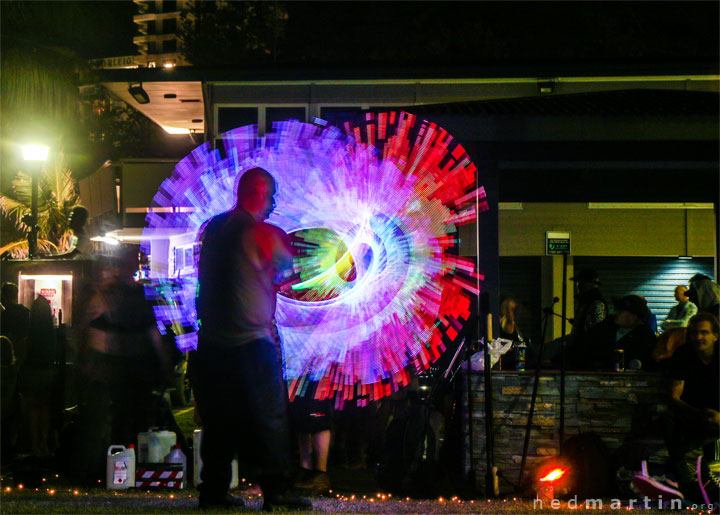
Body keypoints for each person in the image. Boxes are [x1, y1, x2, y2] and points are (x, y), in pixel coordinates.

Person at [191, 167, 310, 510]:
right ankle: (276, 492)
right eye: (271, 195)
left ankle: (212, 492)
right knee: (270, 417)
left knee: (219, 420)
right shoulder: (266, 232)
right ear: (259, 192)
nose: (273, 203)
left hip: (212, 342)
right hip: (253, 341)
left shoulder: (211, 228)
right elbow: (286, 278)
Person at [661, 313, 719, 502]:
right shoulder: (684, 354)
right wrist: (698, 413)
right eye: (694, 333)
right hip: (692, 412)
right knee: (668, 420)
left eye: (704, 332)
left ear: (715, 336)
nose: (699, 337)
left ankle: (709, 482)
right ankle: (690, 487)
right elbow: (673, 397)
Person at [291, 394, 332, 492]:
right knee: (303, 413)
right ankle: (305, 469)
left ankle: (320, 474)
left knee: (318, 413)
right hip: (302, 380)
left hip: (320, 382)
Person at [571, 268, 608, 341]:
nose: (578, 286)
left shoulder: (597, 303)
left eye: (580, 282)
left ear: (589, 284)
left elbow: (597, 330)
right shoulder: (585, 302)